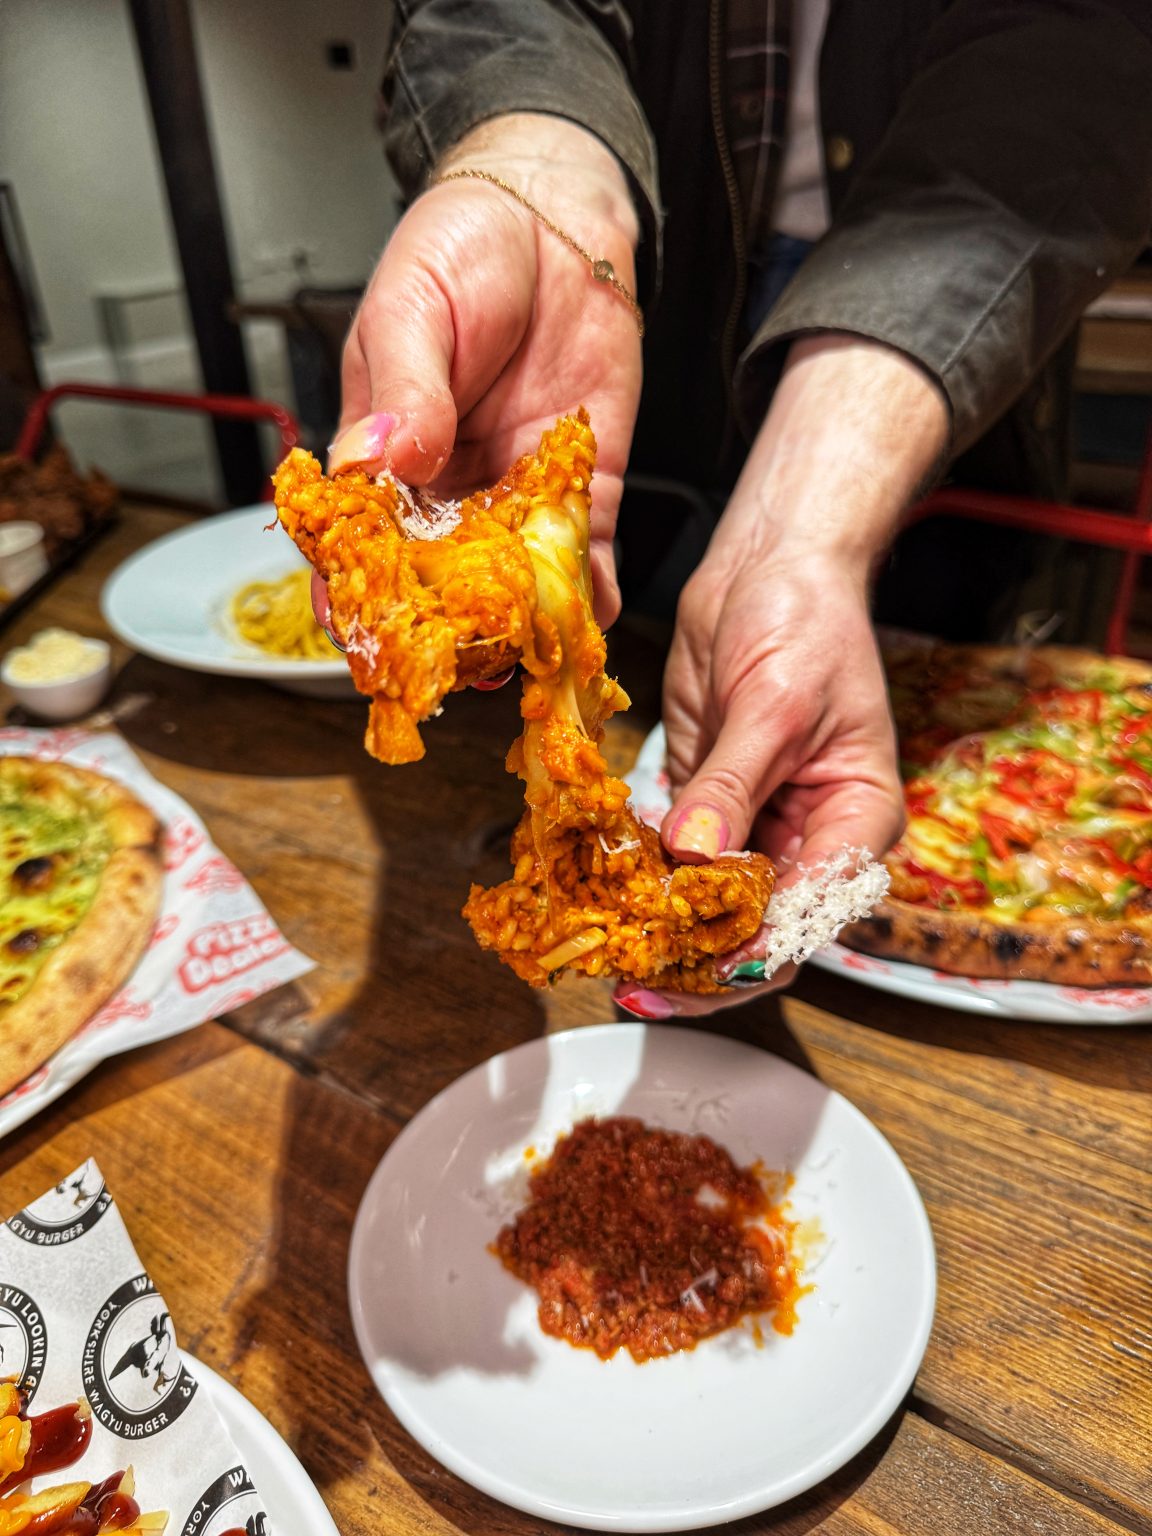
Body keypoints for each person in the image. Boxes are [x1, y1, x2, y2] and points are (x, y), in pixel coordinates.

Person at [317, 0, 1152, 1017]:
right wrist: (533, 169)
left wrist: (799, 540)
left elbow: (1082, 56)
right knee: (622, 638)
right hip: (630, 299)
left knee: (846, 690)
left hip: (953, 320)